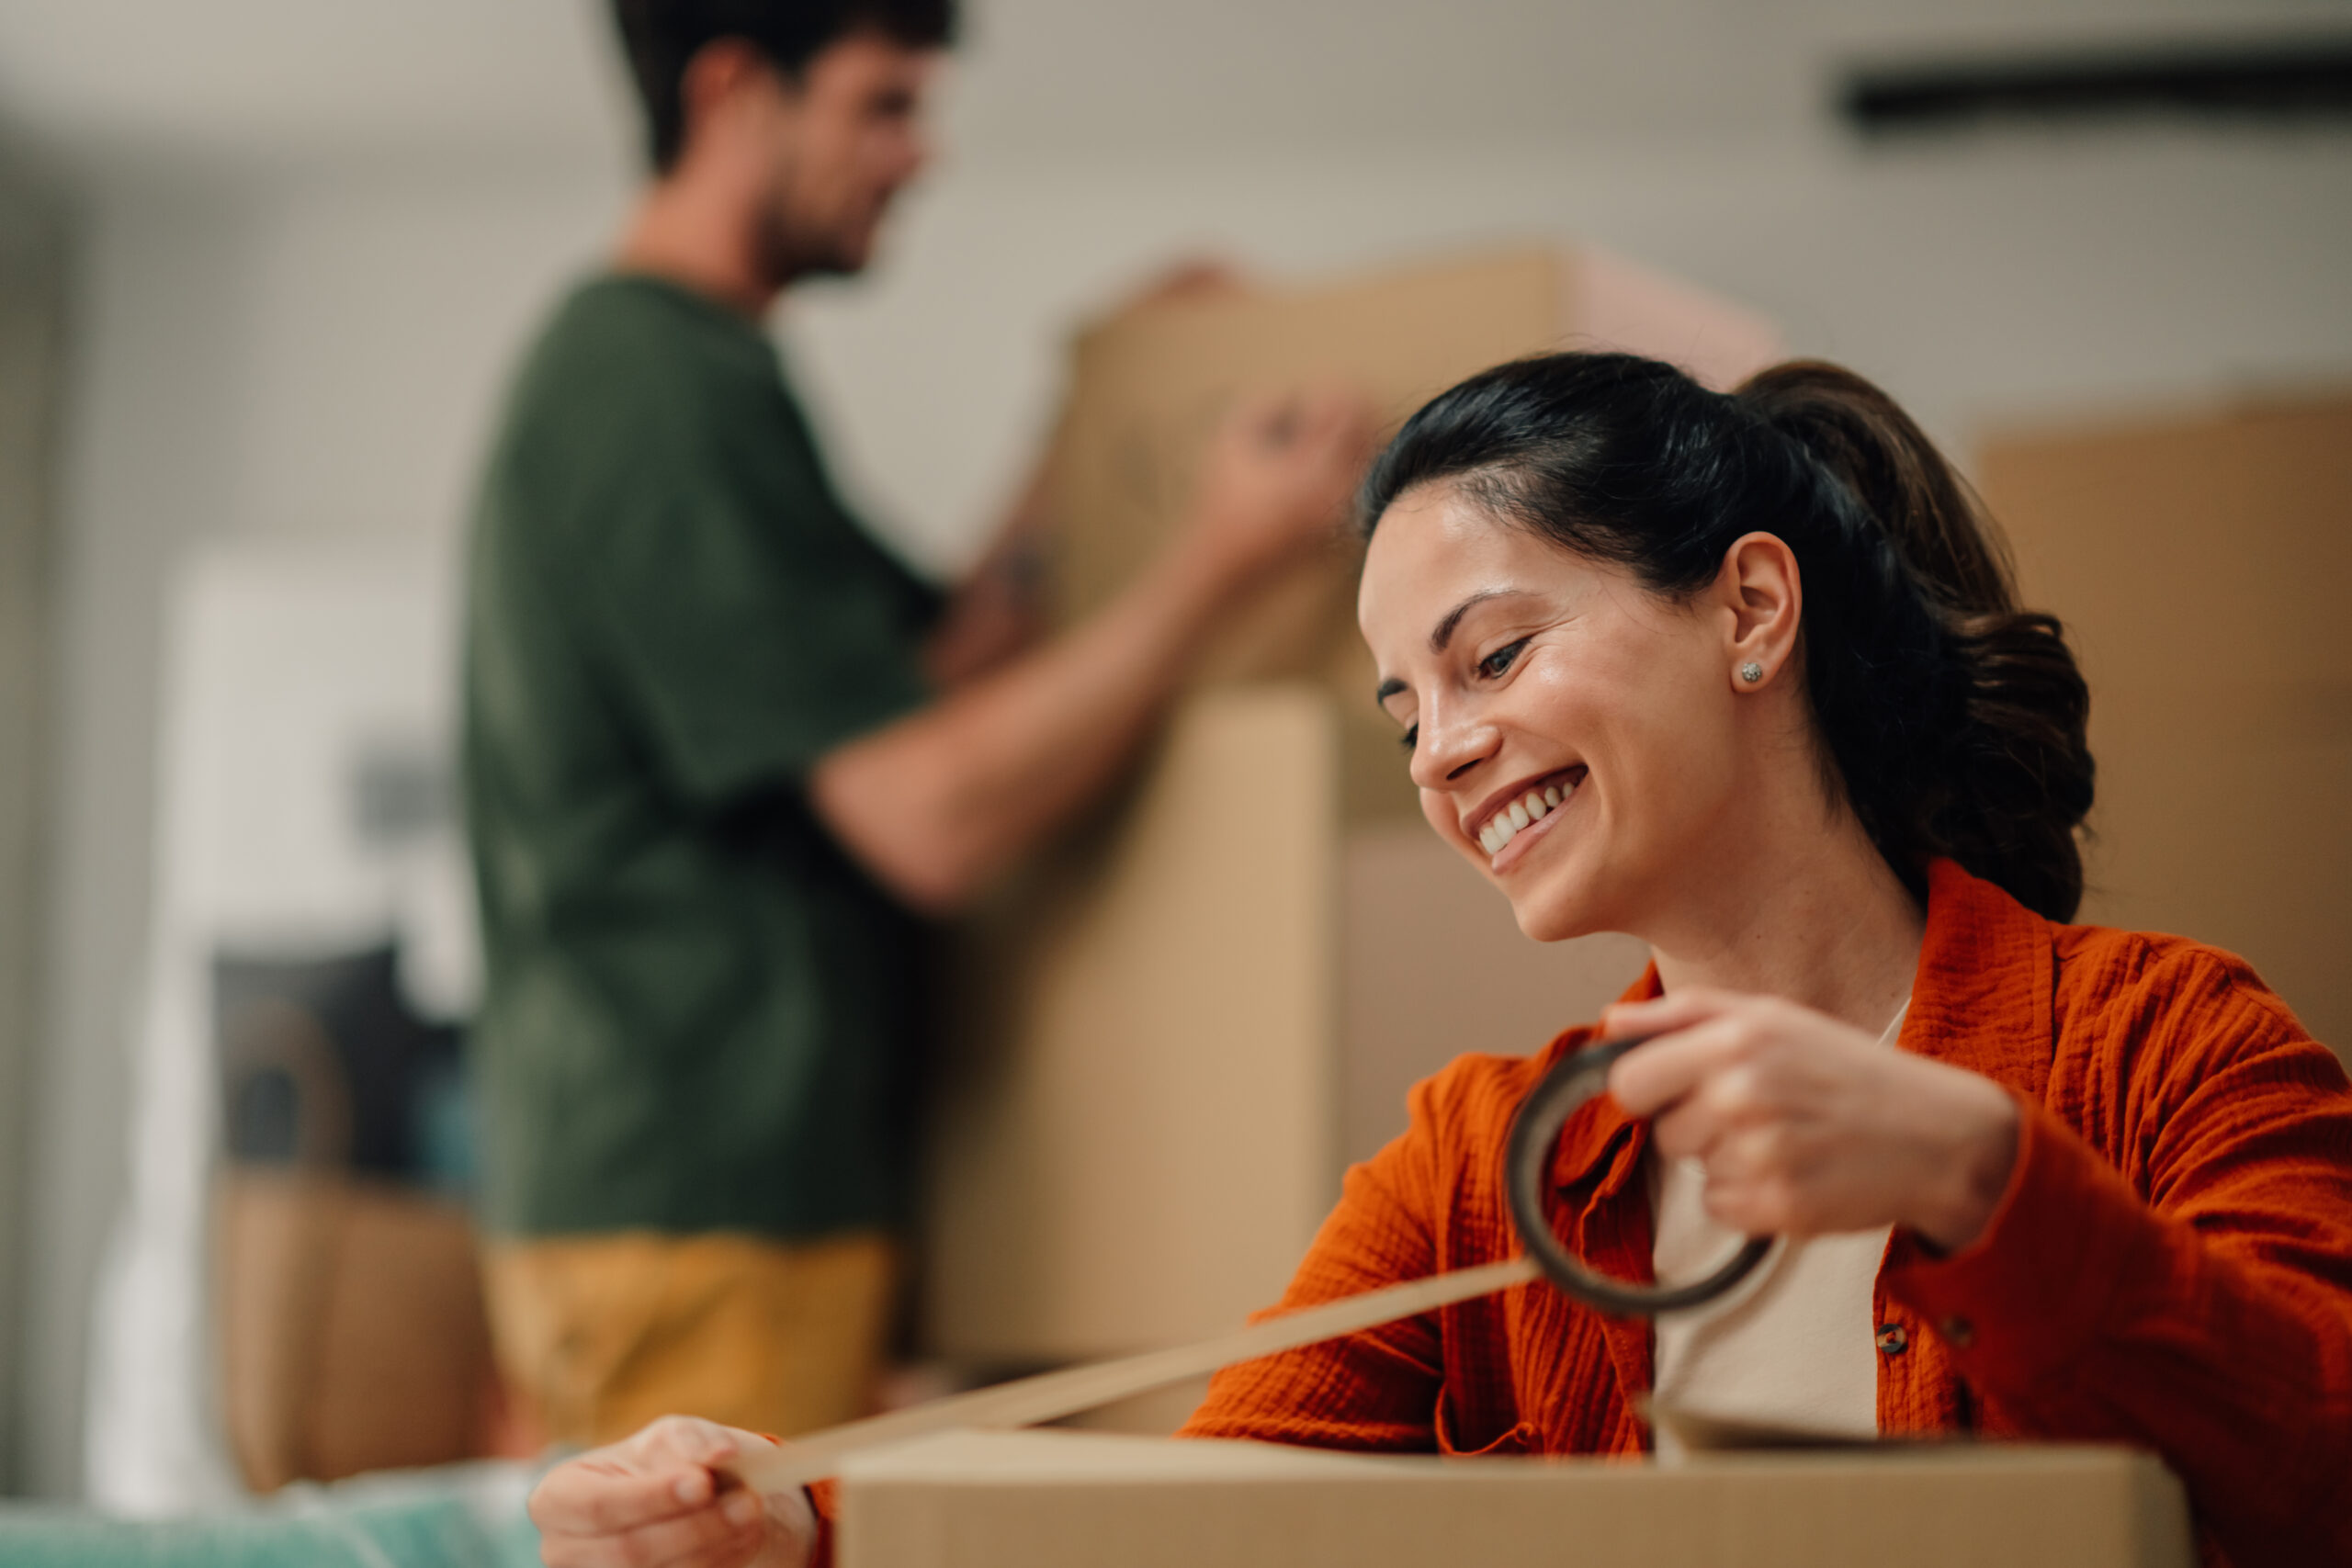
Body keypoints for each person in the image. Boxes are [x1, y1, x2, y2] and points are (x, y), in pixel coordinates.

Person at [519, 352, 2352, 1568]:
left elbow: (2317, 1467)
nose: (1441, 750)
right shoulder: (1488, 1165)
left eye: (1491, 655)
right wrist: (798, 1519)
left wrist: (1979, 1181)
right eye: (1404, 707)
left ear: (1749, 608)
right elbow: (1184, 1516)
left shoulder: (2163, 1041)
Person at [463, 0, 1368, 1451]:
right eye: (881, 106)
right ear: (733, 92)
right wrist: (1219, 563)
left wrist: (1095, 404)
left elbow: (936, 673)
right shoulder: (649, 387)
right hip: (704, 1209)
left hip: (722, 1205)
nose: (917, 155)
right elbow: (930, 813)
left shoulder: (701, 375)